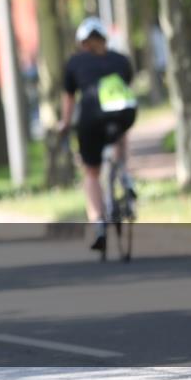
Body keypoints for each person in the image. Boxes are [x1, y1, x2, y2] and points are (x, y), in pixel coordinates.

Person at [57, 17, 138, 253]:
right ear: (104, 39)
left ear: (82, 43)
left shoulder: (74, 63)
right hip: (124, 113)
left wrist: (64, 124)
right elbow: (126, 85)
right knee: (120, 133)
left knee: (91, 172)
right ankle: (125, 175)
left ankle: (99, 223)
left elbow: (69, 99)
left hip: (91, 116)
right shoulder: (121, 59)